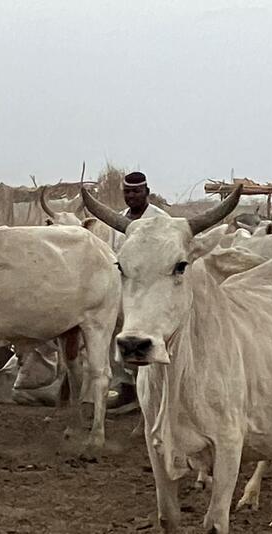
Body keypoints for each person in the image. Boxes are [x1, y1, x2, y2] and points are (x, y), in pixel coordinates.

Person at [107, 171, 169, 413]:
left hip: (152, 292)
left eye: (136, 191)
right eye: (127, 192)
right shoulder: (119, 221)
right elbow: (115, 256)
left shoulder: (161, 220)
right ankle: (126, 389)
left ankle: (153, 395)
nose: (131, 196)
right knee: (116, 334)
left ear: (147, 193)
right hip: (125, 290)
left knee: (149, 338)